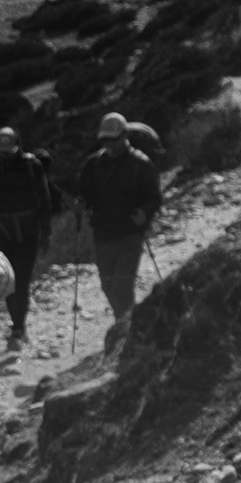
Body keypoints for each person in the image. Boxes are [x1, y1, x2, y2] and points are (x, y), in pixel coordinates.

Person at [78, 111, 166, 336]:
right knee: (107, 285)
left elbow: (154, 197)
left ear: (125, 136)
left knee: (121, 286)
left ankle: (127, 330)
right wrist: (80, 204)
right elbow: (84, 193)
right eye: (105, 139)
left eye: (113, 139)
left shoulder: (141, 164)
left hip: (130, 234)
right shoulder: (93, 164)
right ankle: (127, 322)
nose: (109, 144)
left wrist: (145, 213)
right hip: (102, 234)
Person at [0, 125, 58, 344]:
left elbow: (44, 200)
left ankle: (18, 327)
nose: (5, 158)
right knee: (7, 279)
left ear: (18, 148)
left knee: (22, 279)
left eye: (8, 153)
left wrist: (46, 231)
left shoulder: (31, 165)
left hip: (28, 231)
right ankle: (16, 325)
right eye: (1, 153)